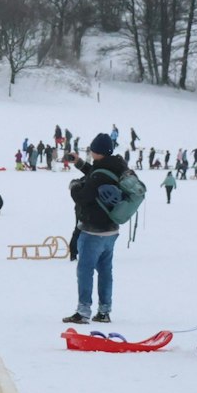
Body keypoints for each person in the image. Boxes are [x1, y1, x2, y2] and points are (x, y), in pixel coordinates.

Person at [64, 133, 131, 324]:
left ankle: (83, 311)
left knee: (85, 271)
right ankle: (104, 311)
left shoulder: (99, 174)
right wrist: (79, 164)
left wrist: (74, 186)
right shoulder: (116, 166)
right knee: (105, 271)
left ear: (98, 151)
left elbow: (84, 195)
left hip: (93, 230)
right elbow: (96, 174)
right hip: (111, 229)